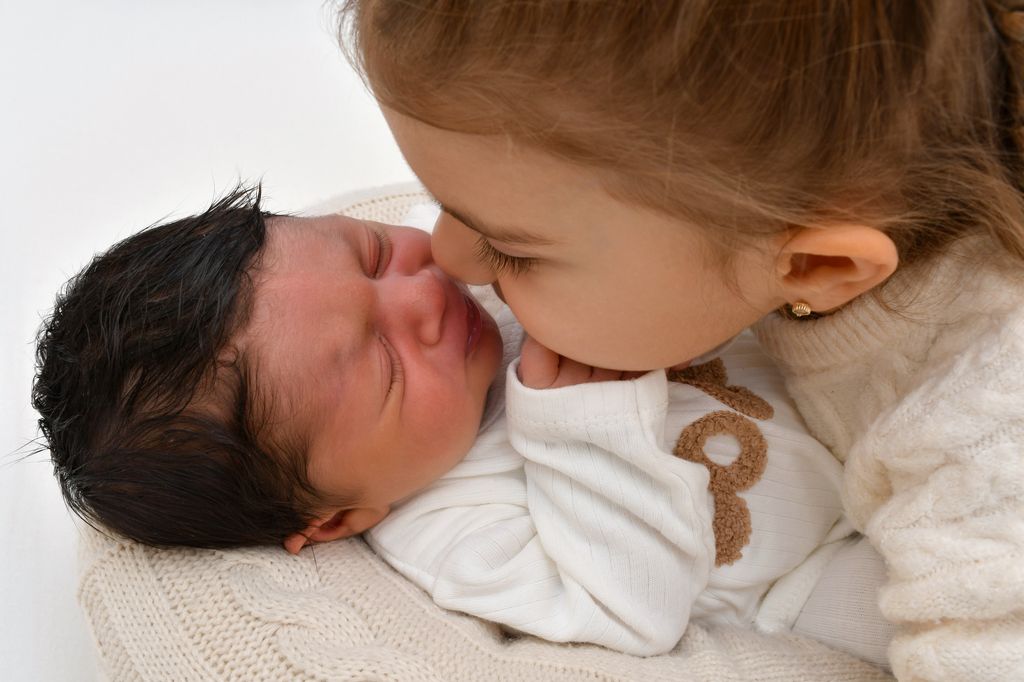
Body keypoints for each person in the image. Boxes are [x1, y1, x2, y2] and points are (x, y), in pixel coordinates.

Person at [338, 1, 1024, 679]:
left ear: (816, 268)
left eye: (510, 249)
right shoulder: (748, 214)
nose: (446, 259)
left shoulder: (985, 424)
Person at [33, 188, 859, 660]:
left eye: (371, 255)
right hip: (811, 574)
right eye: (384, 366)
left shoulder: (487, 282)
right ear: (338, 517)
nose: (424, 294)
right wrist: (585, 430)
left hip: (844, 392)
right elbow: (637, 613)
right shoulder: (453, 533)